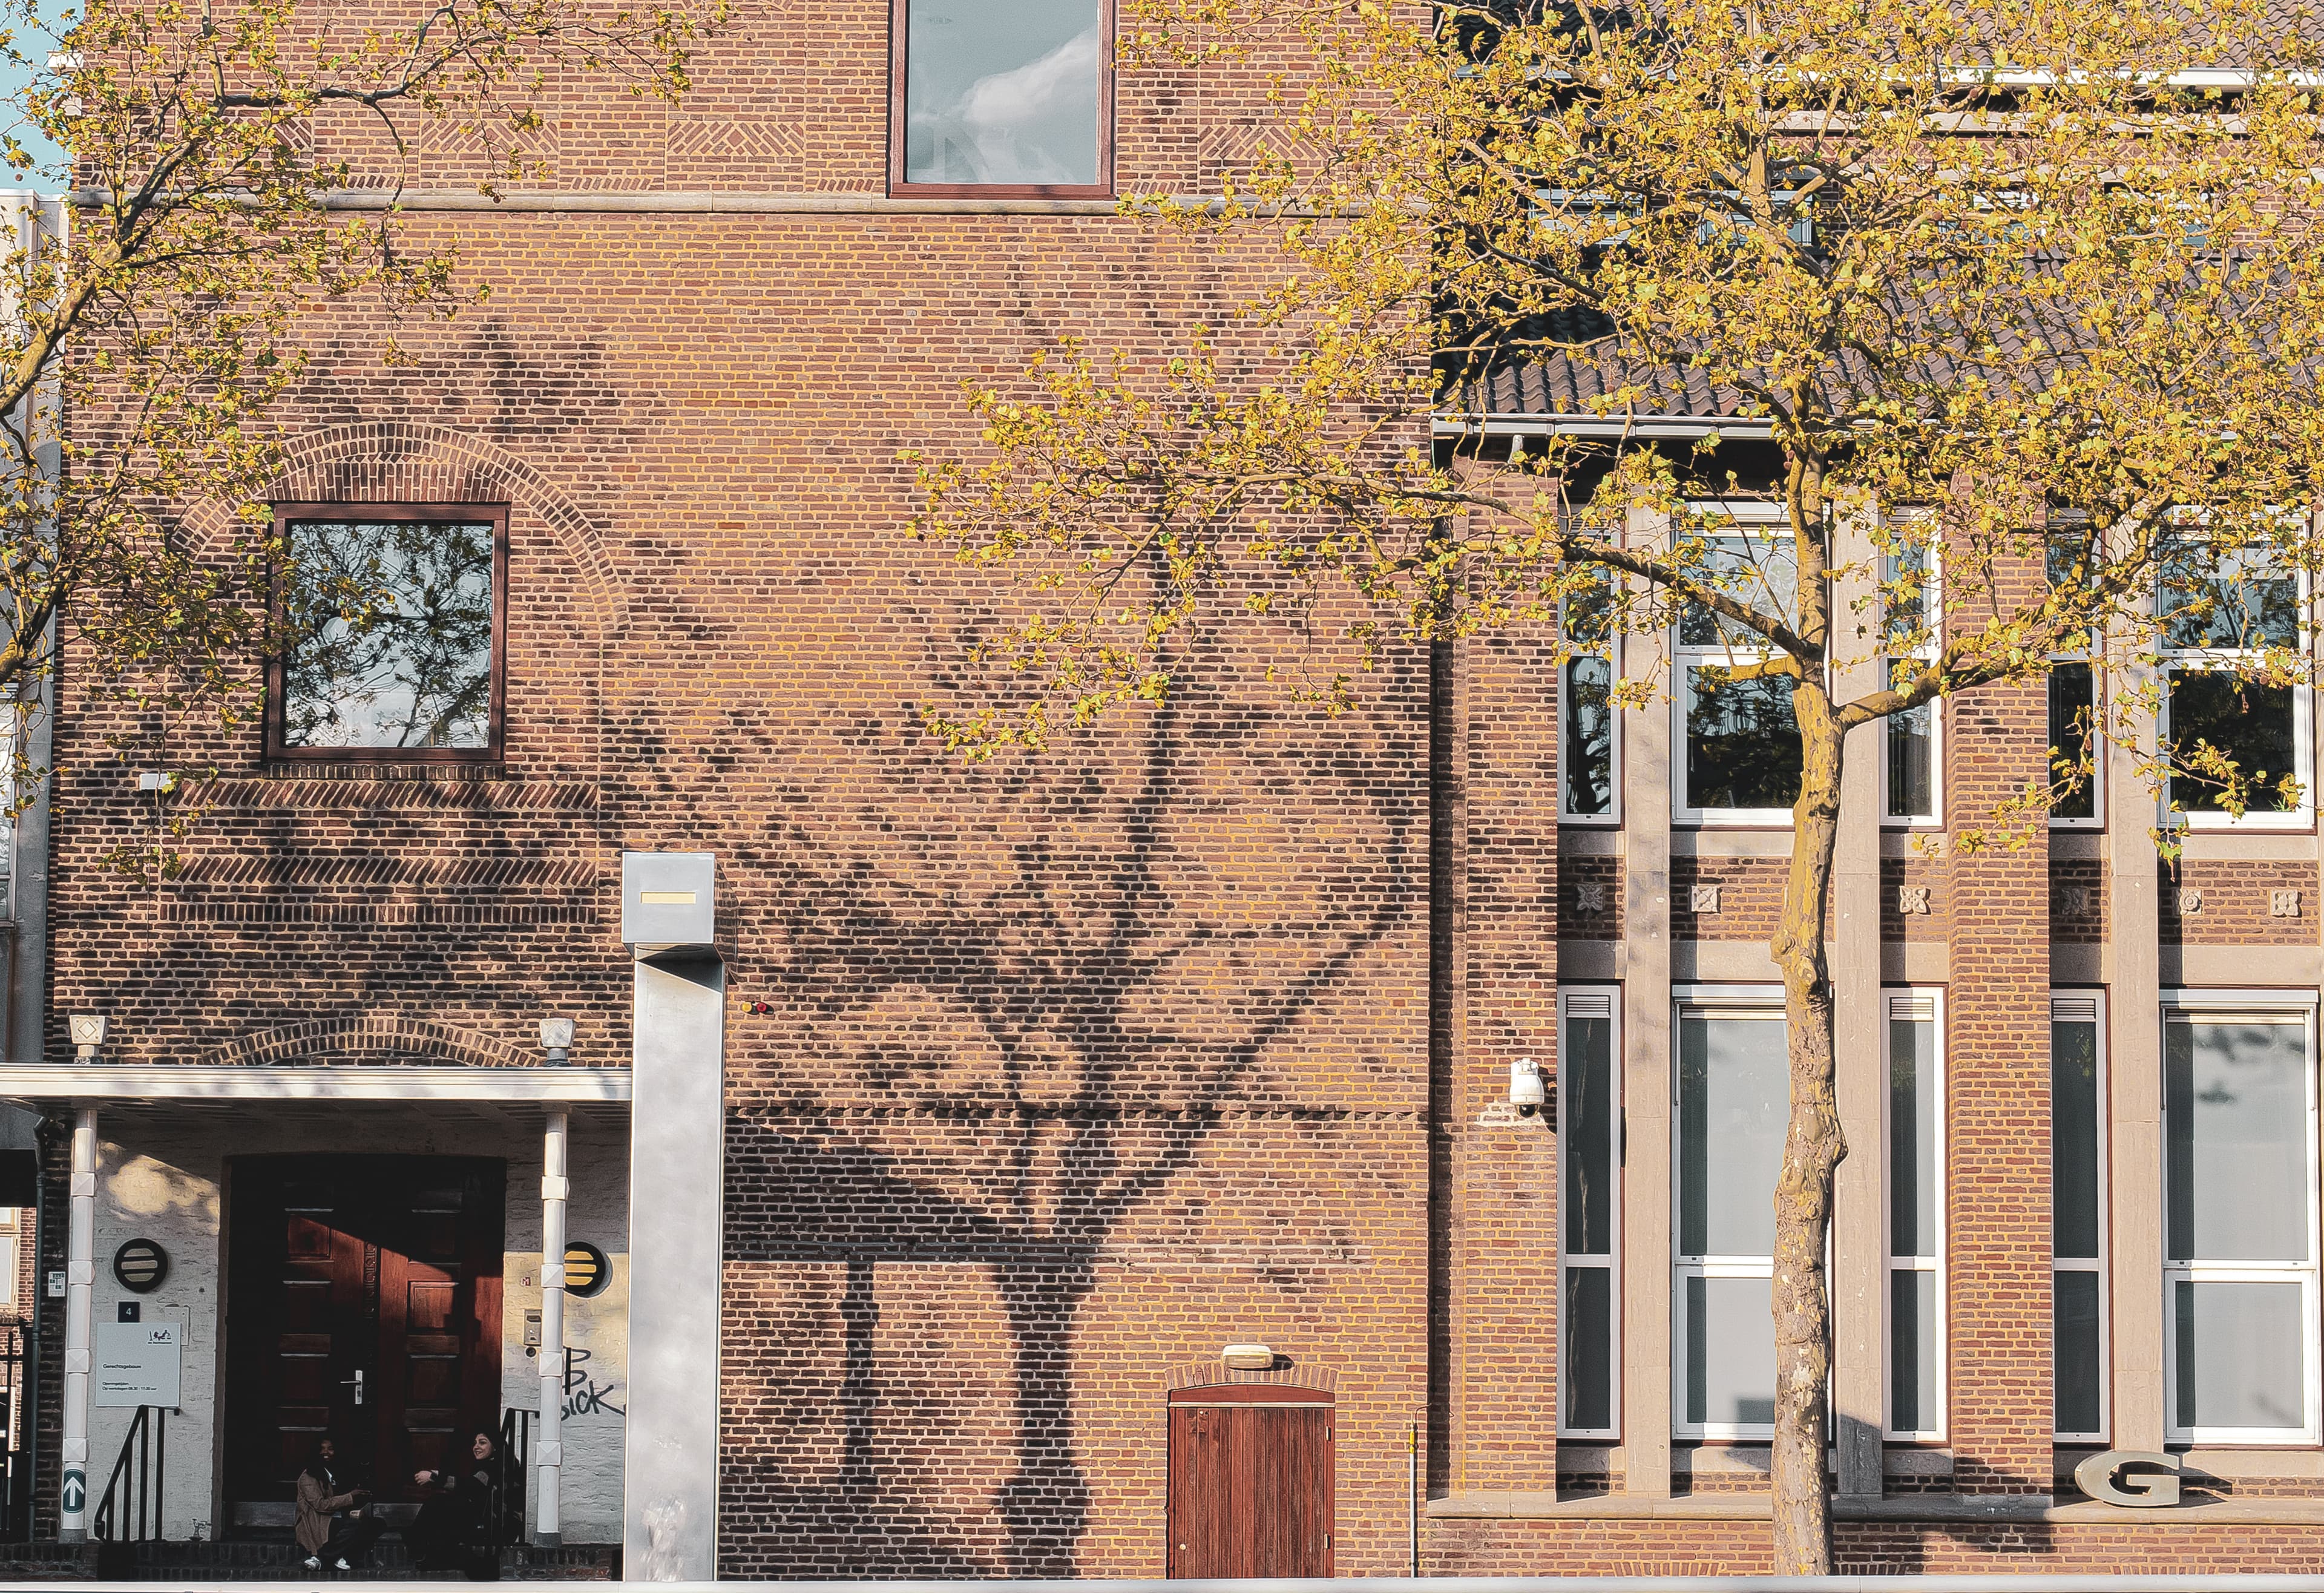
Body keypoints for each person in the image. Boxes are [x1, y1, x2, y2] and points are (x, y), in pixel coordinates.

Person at [408, 1430, 508, 1580]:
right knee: (439, 1503)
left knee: (439, 1503)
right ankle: (428, 1551)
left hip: (494, 1519)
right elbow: (472, 1486)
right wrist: (439, 1477)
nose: (476, 1447)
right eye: (475, 1443)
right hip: (482, 1514)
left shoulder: (499, 1464)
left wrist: (435, 1478)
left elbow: (473, 1486)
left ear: (495, 1446)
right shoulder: (491, 1462)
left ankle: (416, 1545)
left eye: (482, 1442)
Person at [294, 1437, 380, 1572]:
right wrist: (350, 1496)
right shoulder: (309, 1477)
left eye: (330, 1448)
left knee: (376, 1524)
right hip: (316, 1522)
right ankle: (324, 1557)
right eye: (322, 1449)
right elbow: (320, 1505)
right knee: (354, 1526)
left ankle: (330, 1557)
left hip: (331, 1519)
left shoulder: (331, 1471)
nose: (326, 1452)